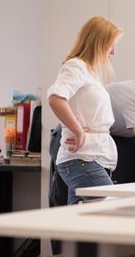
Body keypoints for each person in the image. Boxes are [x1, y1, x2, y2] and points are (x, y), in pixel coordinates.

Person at [47, 16, 122, 205]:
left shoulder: (91, 73)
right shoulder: (76, 66)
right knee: (110, 209)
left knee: (81, 223)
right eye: (111, 45)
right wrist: (78, 130)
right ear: (99, 43)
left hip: (91, 157)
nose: (113, 52)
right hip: (81, 159)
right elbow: (56, 98)